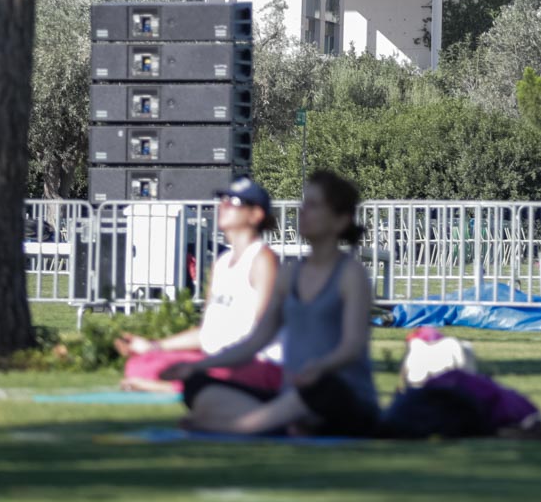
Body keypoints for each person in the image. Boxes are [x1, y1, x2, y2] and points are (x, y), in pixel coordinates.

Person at [165, 170, 379, 437]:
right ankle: (278, 423)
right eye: (303, 205)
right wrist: (198, 366)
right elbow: (256, 341)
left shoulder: (350, 273)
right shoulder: (290, 275)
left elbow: (353, 345)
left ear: (340, 220)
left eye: (313, 206)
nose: (303, 212)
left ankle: (239, 427)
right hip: (291, 396)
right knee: (199, 386)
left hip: (339, 397)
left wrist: (321, 367)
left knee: (323, 390)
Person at [114, 177, 281, 395]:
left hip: (253, 360)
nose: (224, 206)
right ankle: (185, 382)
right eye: (223, 200)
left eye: (234, 202)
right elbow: (207, 332)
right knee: (141, 364)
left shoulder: (262, 259)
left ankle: (179, 386)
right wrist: (154, 346)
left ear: (256, 214)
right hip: (218, 357)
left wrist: (208, 362)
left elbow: (262, 330)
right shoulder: (221, 263)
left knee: (202, 371)